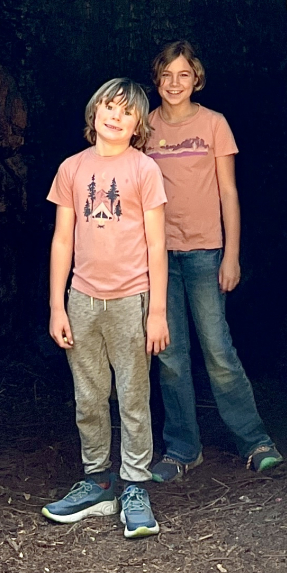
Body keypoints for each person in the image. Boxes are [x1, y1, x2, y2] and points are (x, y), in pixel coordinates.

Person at [144, 40, 282, 482]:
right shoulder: (143, 127)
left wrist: (232, 255)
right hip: (158, 255)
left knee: (218, 349)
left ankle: (255, 440)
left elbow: (228, 192)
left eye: (183, 75)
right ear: (157, 79)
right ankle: (183, 449)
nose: (174, 84)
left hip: (206, 251)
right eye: (166, 75)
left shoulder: (214, 124)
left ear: (196, 78)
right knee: (169, 355)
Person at [41, 77, 170, 539]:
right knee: (89, 396)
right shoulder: (72, 169)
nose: (115, 117)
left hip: (130, 298)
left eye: (126, 112)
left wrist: (157, 311)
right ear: (94, 112)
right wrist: (58, 306)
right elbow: (62, 239)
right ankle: (98, 481)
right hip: (82, 299)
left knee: (133, 395)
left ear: (137, 125)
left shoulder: (143, 170)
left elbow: (158, 245)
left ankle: (136, 485)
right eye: (108, 108)